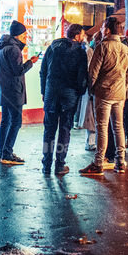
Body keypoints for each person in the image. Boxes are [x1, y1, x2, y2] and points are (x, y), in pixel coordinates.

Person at [80, 16, 128, 175]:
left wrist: (91, 89)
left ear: (107, 30)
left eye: (103, 27)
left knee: (102, 127)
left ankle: (98, 162)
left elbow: (93, 72)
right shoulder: (126, 50)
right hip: (120, 93)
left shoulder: (102, 47)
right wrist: (124, 89)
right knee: (118, 127)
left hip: (103, 92)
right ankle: (120, 161)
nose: (102, 30)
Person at [39, 24, 88, 175]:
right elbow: (82, 77)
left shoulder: (52, 47)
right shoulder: (80, 52)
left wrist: (43, 90)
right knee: (65, 130)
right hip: (69, 96)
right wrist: (79, 92)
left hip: (51, 93)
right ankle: (59, 164)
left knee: (49, 130)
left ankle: (46, 163)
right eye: (83, 35)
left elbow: (43, 70)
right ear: (77, 36)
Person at [0, 20, 38, 165]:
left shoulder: (1, 46)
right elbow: (19, 71)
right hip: (14, 90)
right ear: (19, 35)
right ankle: (7, 153)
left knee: (5, 121)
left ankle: (3, 152)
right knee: (16, 122)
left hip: (4, 88)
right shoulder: (14, 50)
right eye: (24, 34)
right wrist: (31, 62)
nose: (26, 37)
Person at [76, 29, 101, 151]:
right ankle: (91, 142)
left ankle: (92, 141)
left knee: (92, 115)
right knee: (92, 116)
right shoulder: (90, 51)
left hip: (89, 88)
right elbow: (91, 70)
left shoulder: (88, 50)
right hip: (92, 88)